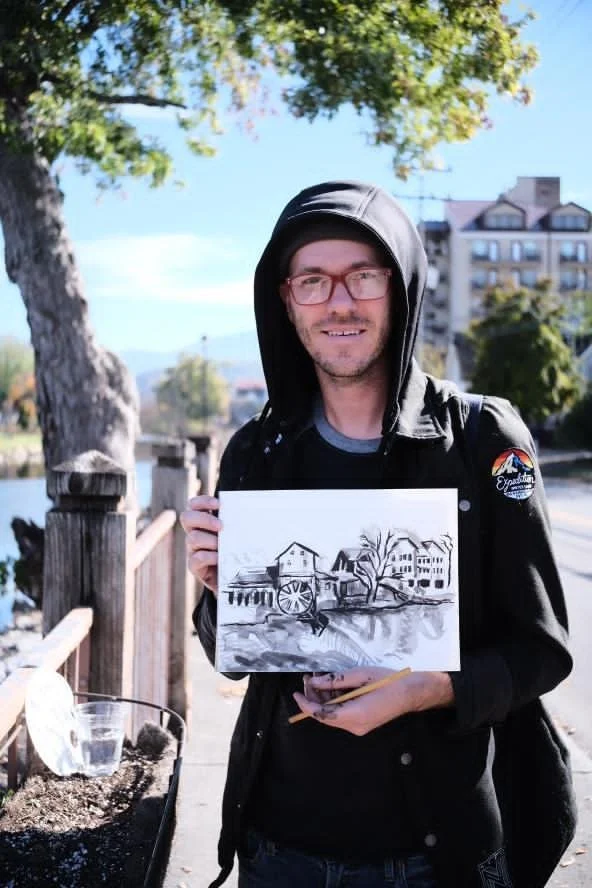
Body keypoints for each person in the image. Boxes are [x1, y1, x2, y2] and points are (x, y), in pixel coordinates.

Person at [180, 181, 574, 888]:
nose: (338, 301)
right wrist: (216, 589)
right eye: (312, 281)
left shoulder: (485, 439)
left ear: (401, 290)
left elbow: (541, 651)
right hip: (277, 848)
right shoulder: (254, 452)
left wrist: (427, 689)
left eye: (363, 275)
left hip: (440, 852)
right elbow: (232, 660)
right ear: (285, 300)